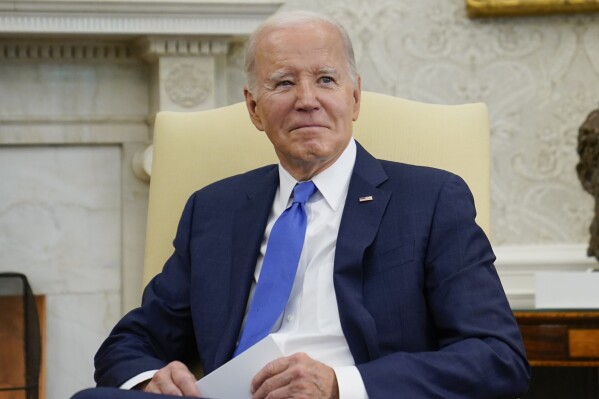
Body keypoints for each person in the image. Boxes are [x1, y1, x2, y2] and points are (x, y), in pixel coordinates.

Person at [93, 10, 530, 399]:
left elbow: (497, 358)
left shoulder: (431, 200)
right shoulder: (213, 210)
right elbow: (129, 343)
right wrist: (151, 379)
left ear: (354, 97)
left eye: (325, 79)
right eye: (284, 83)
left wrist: (342, 386)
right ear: (254, 108)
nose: (306, 100)